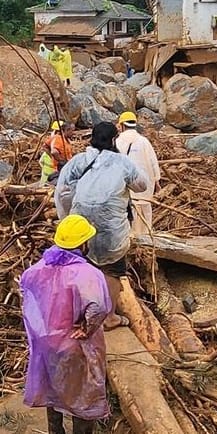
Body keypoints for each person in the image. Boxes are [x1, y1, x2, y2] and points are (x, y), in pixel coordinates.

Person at [20, 214, 112, 434]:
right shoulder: (88, 274)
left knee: (53, 386)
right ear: (82, 244)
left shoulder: (36, 270)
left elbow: (27, 296)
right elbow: (98, 307)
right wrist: (86, 328)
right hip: (75, 346)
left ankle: (55, 430)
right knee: (84, 393)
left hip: (47, 343)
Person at [54, 122, 148, 330]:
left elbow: (61, 192)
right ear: (114, 139)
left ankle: (81, 314)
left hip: (80, 229)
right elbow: (142, 185)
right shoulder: (122, 163)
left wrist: (66, 219)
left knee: (82, 269)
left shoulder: (78, 161)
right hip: (111, 231)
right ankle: (109, 317)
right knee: (112, 271)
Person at [115, 111, 161, 236]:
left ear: (122, 125)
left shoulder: (118, 142)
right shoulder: (144, 141)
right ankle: (146, 235)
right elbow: (153, 162)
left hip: (126, 185)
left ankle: (131, 236)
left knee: (129, 211)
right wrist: (157, 181)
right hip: (145, 185)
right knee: (145, 209)